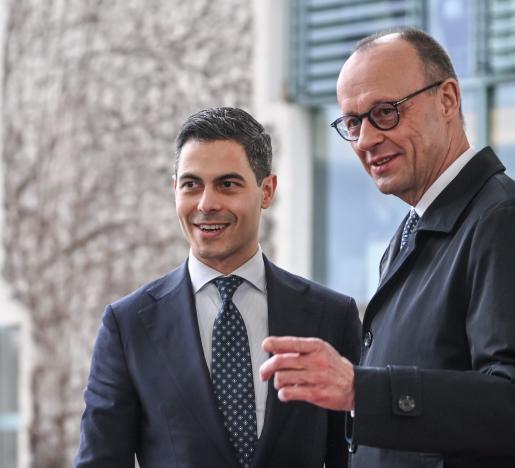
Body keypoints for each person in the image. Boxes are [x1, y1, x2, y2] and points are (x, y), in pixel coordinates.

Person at [259, 28, 515, 467]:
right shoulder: (413, 232)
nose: (365, 139)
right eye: (353, 122)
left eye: (385, 112)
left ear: (448, 100)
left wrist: (360, 389)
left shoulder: (509, 223)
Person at [74, 107, 361, 468]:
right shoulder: (128, 325)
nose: (206, 204)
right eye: (191, 185)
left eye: (227, 184)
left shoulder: (330, 317)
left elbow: (352, 458)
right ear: (174, 189)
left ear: (266, 190)